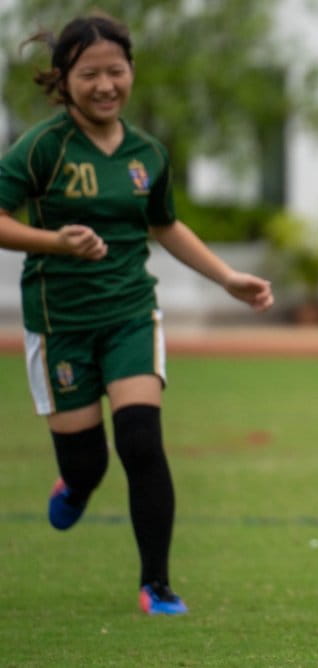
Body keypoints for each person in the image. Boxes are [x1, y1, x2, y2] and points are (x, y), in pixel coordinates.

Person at [0, 13, 275, 615]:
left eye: (116, 71)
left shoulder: (146, 152)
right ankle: (74, 480)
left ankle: (157, 584)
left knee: (142, 441)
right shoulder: (42, 147)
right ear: (66, 78)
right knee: (89, 460)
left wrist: (227, 278)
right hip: (59, 322)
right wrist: (55, 243)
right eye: (90, 74)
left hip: (129, 312)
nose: (105, 85)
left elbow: (165, 225)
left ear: (131, 73)